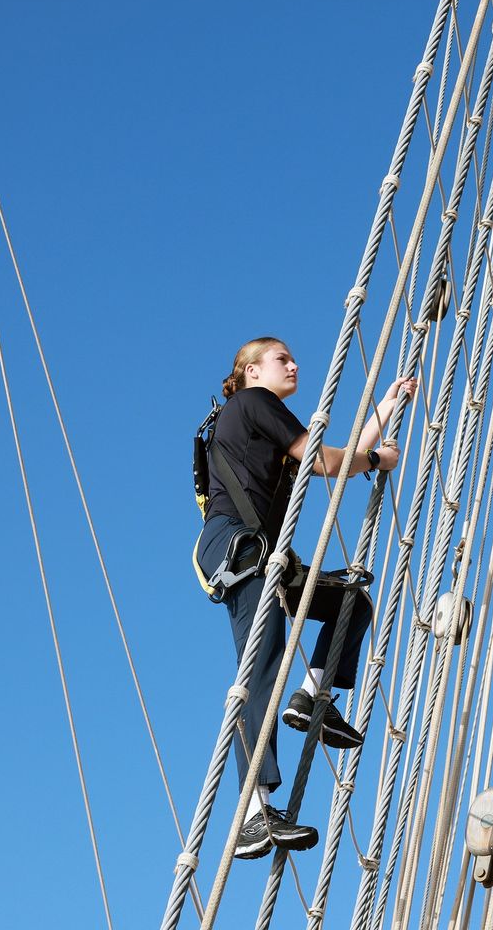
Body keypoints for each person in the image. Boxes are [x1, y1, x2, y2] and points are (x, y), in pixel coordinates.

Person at [196, 337, 416, 860]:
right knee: (262, 665)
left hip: (268, 555)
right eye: (280, 359)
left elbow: (338, 459)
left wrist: (387, 406)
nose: (294, 364)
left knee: (349, 605)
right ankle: (253, 814)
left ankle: (314, 696)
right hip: (243, 551)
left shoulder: (265, 427)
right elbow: (331, 462)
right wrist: (379, 461)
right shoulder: (254, 404)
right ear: (250, 372)